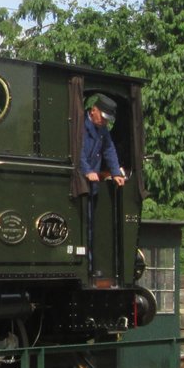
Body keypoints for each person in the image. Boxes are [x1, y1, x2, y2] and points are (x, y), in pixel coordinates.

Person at [80, 94, 125, 277]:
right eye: (104, 118)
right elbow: (77, 152)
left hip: (93, 187)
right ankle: (85, 267)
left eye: (108, 120)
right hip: (79, 185)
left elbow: (109, 150)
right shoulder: (81, 127)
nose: (106, 123)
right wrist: (87, 171)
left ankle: (90, 267)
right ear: (94, 111)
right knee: (82, 226)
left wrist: (115, 173)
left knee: (91, 226)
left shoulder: (102, 130)